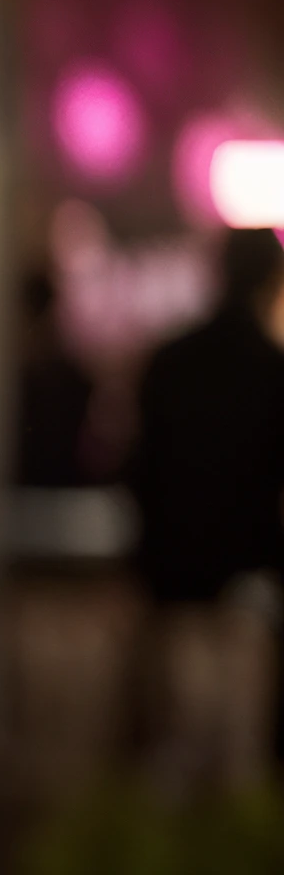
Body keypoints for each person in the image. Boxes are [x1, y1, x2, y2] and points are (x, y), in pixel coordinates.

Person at [128, 225, 284, 788]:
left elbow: (139, 471)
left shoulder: (170, 362)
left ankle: (172, 870)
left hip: (177, 582)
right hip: (247, 585)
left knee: (179, 752)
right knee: (237, 754)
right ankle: (233, 872)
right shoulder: (271, 369)